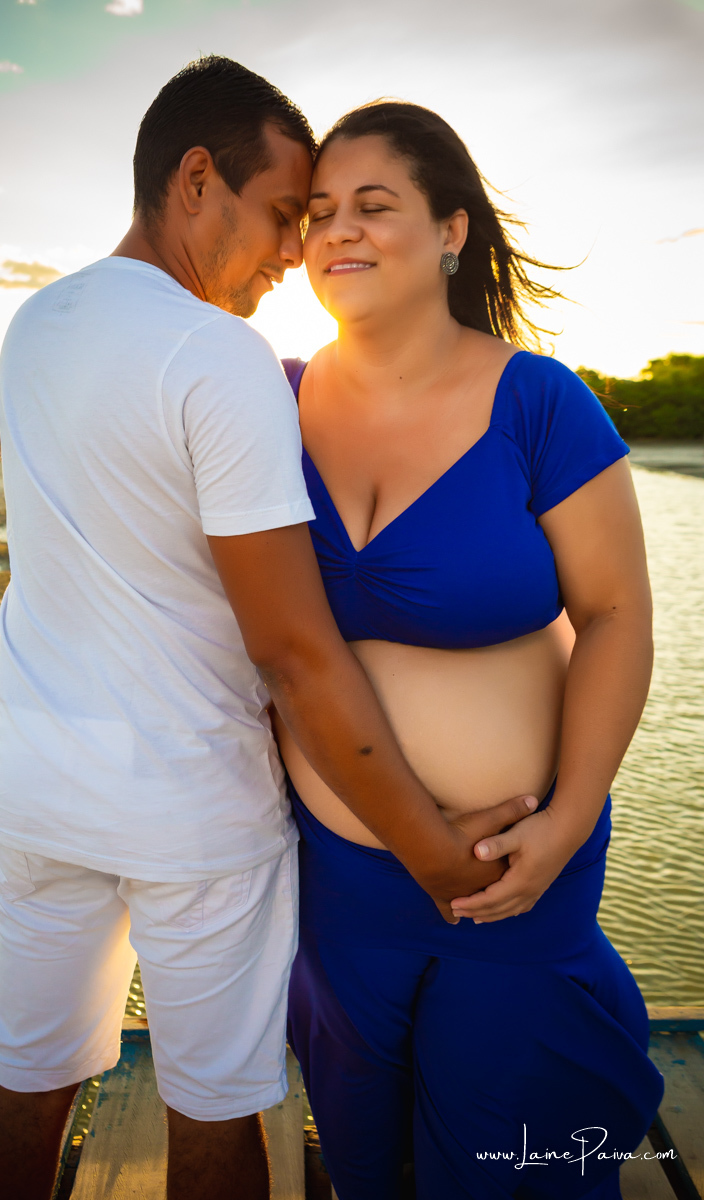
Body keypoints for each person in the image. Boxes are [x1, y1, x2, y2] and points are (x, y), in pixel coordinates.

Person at [0, 62, 537, 1200]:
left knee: (23, 1079)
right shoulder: (215, 352)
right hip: (190, 813)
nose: (293, 250)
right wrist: (432, 854)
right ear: (196, 179)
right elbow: (289, 649)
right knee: (215, 1105)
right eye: (283, 213)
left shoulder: (35, 325)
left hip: (37, 792)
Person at [272, 103, 664, 1199]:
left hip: (512, 874)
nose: (338, 230)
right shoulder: (270, 398)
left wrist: (566, 821)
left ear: (450, 230)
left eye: (373, 205)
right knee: (362, 1158)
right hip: (337, 881)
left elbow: (618, 618)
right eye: (317, 212)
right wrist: (35, 402)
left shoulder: (539, 402)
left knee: (510, 1159)